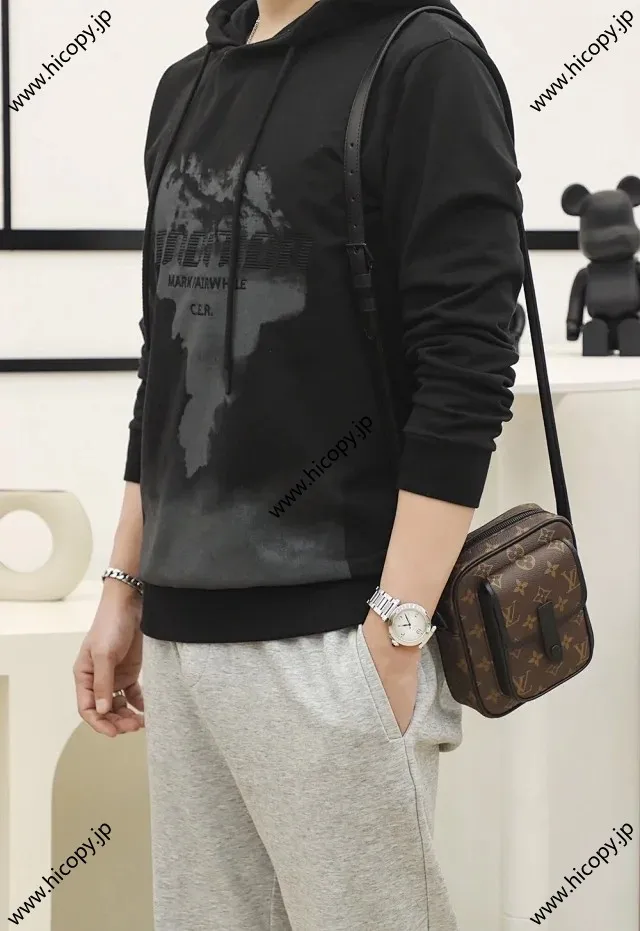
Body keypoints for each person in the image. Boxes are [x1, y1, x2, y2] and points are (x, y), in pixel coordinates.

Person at [73, 0, 524, 927]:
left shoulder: (424, 61)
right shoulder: (188, 85)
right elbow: (169, 357)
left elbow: (467, 362)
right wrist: (124, 584)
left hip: (335, 634)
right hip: (182, 638)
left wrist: (397, 631)